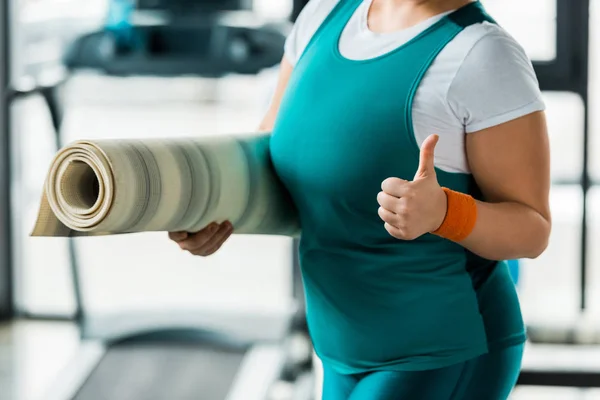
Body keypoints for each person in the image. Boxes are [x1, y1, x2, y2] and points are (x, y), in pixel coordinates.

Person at [169, 0, 551, 398]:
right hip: (340, 349)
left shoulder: (483, 54)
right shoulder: (322, 16)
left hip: (441, 350)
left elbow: (532, 228)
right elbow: (270, 153)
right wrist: (213, 210)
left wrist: (444, 213)